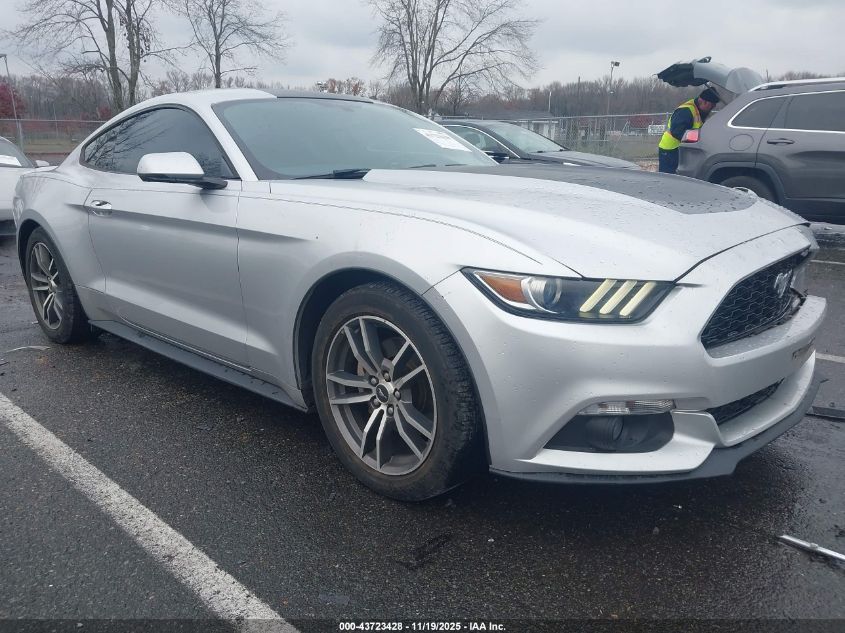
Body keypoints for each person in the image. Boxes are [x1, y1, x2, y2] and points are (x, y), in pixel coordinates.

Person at [658, 87, 720, 174]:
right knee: (669, 178)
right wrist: (697, 140)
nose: (712, 108)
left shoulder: (698, 110)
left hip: (680, 150)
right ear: (703, 101)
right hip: (671, 150)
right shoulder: (686, 111)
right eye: (711, 105)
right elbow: (677, 131)